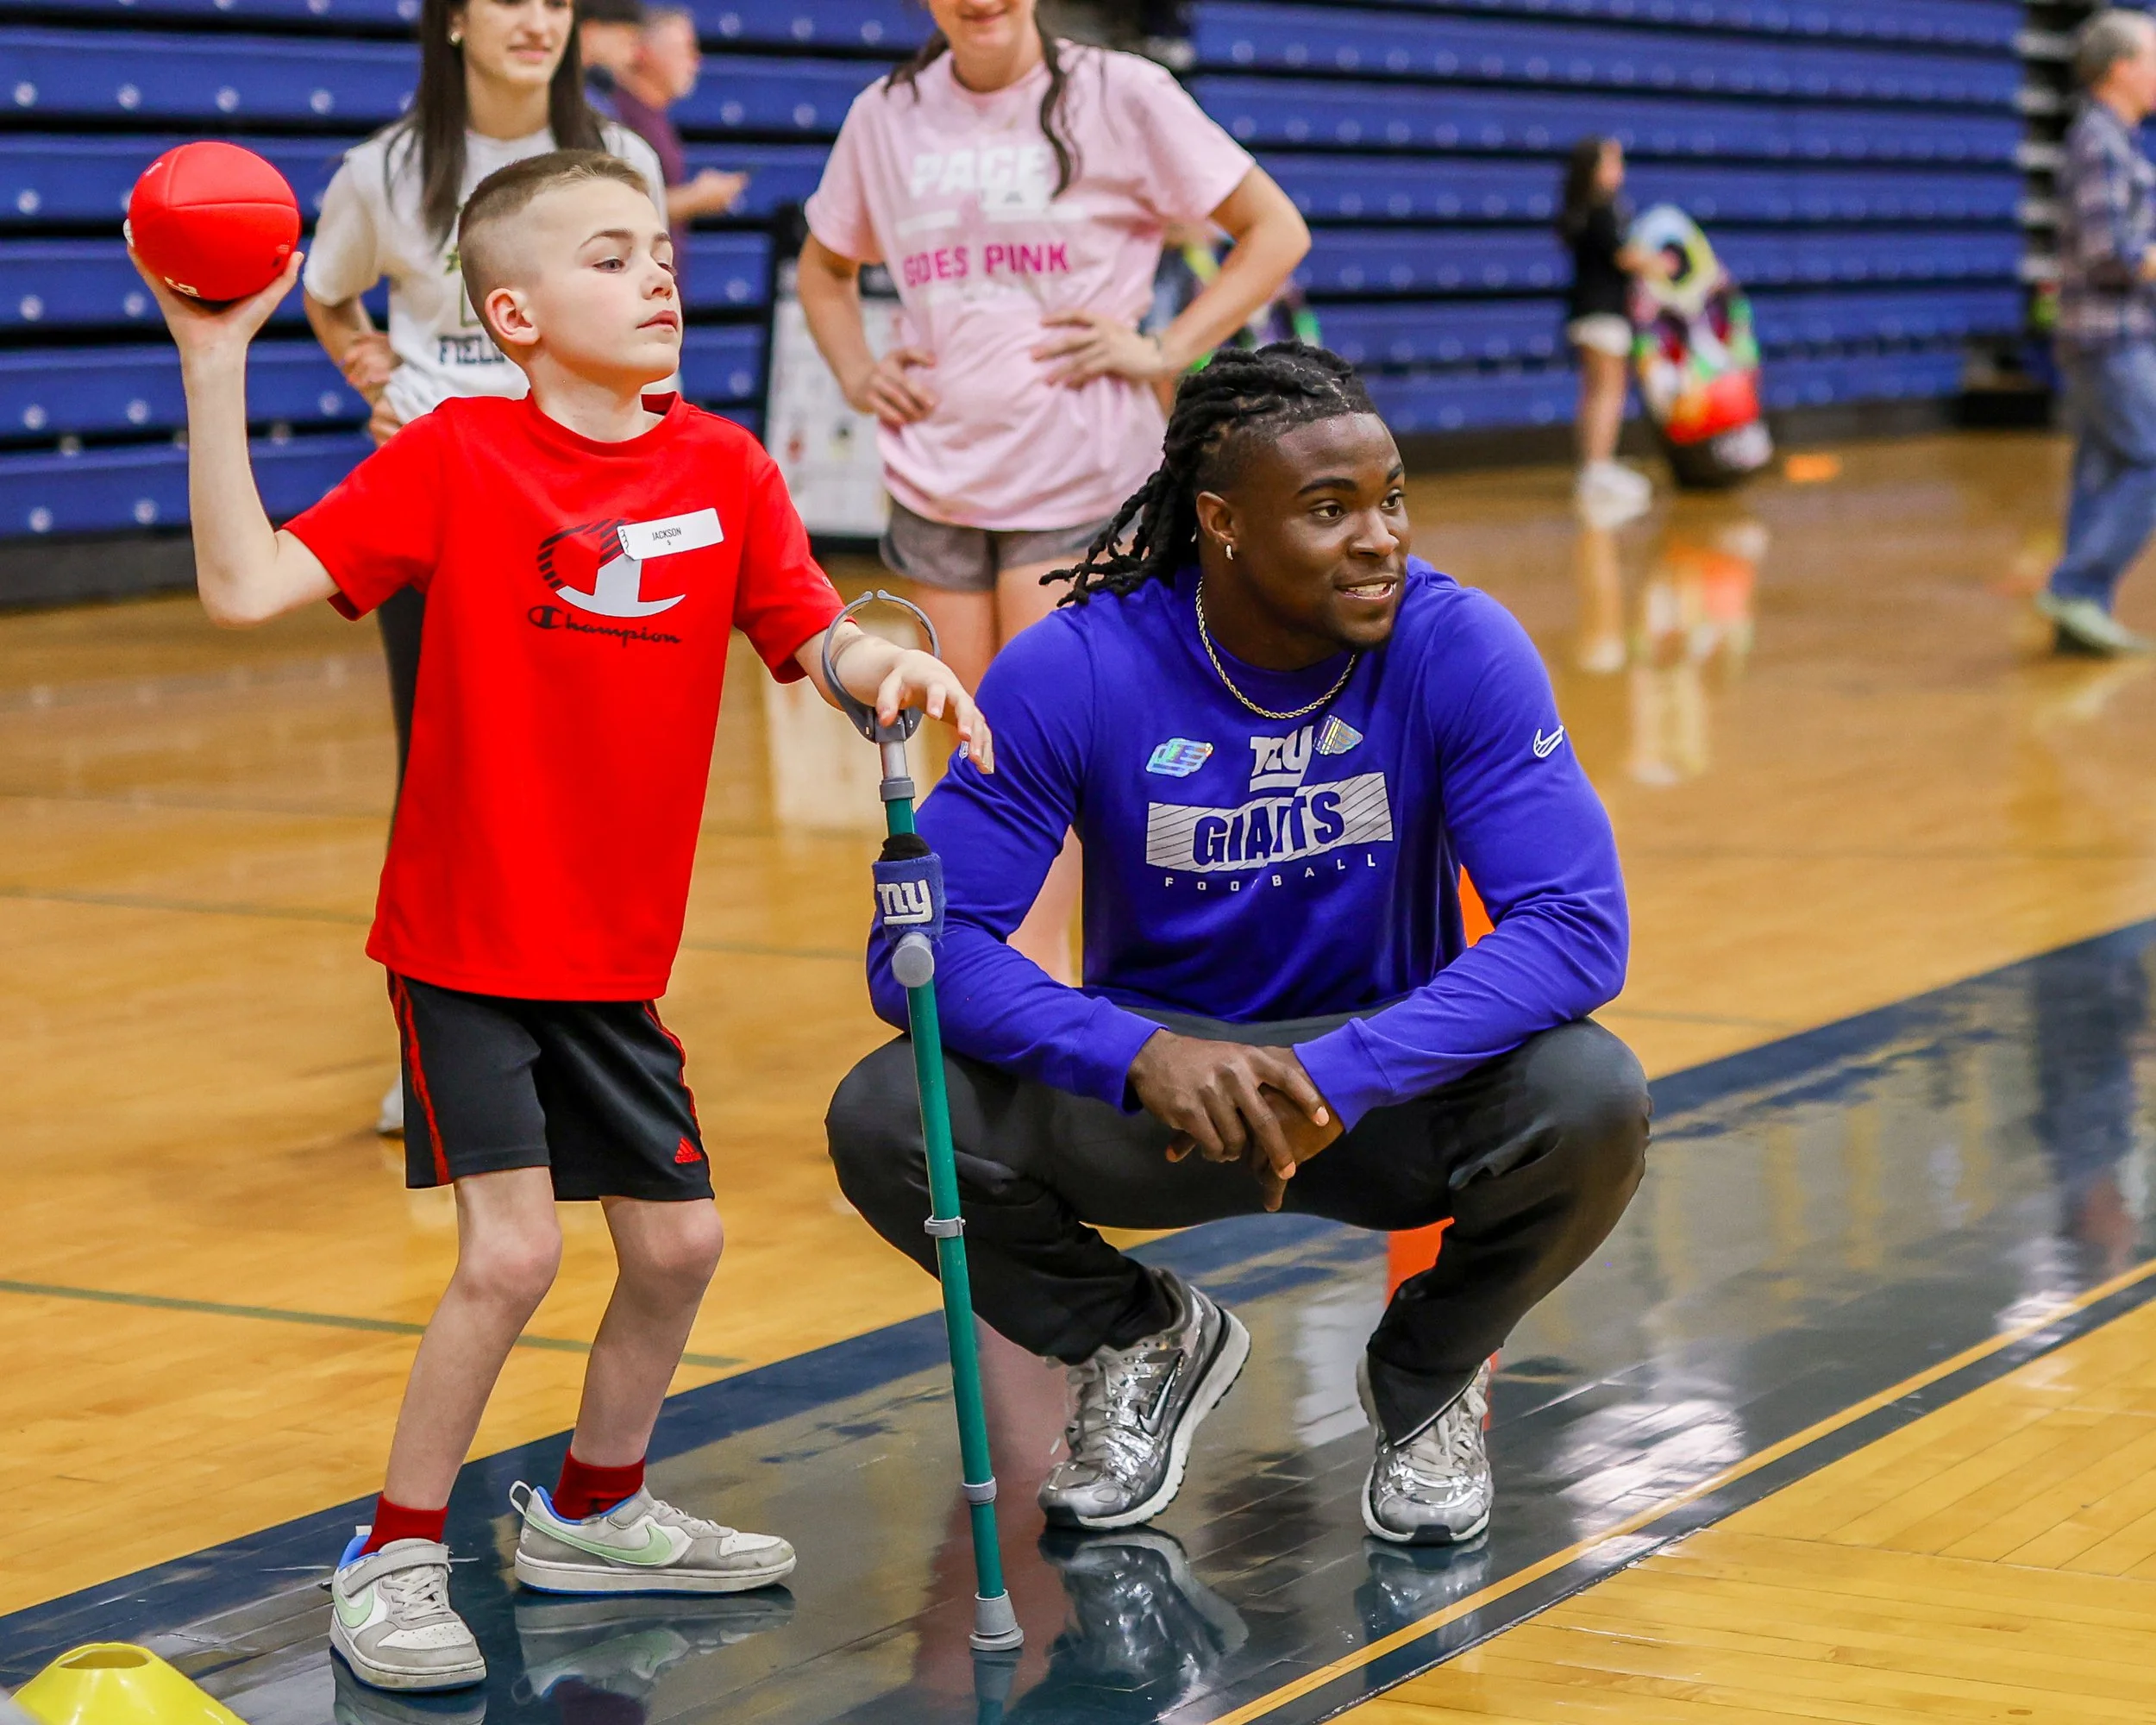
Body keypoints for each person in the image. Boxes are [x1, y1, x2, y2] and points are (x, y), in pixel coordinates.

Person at [136, 150, 991, 1691]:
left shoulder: (726, 469)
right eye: (612, 256)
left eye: (660, 247)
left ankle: (591, 1512)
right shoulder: (458, 455)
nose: (658, 273)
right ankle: (394, 1549)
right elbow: (245, 585)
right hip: (466, 943)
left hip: (613, 960)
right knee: (512, 1257)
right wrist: (216, 363)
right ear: (518, 314)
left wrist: (896, 673)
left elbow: (808, 631)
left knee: (679, 1247)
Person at [827, 345, 1648, 1546]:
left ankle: (1429, 1375)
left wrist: (1347, 1070)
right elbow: (921, 948)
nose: (1381, 538)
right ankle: (1138, 1336)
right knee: (891, 1116)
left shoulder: (1457, 644)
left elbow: (1579, 930)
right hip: (1164, 1101)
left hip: (1381, 1094)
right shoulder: (1080, 662)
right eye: (1330, 510)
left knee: (1592, 1096)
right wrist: (1133, 1053)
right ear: (1219, 522)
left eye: (1392, 499)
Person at [795, 0, 1309, 979]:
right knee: (968, 757)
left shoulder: (1123, 93)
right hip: (934, 482)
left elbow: (1272, 228)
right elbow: (825, 270)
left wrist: (1163, 345)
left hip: (1078, 480)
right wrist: (859, 372)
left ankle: (1040, 991)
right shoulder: (885, 113)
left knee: (1049, 758)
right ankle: (999, 987)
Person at [302, 0, 669, 1136]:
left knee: (586, 785)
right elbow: (327, 291)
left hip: (582, 517)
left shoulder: (619, 159)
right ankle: (440, 1064)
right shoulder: (388, 170)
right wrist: (368, 366)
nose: (538, 20)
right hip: (443, 509)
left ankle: (587, 1044)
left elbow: (650, 327)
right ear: (454, 18)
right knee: (448, 787)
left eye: (558, 0)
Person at [2041, 9, 2156, 656]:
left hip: (2108, 337)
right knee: (2151, 461)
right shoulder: (2101, 142)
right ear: (2122, 69)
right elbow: (2109, 252)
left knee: (2102, 473)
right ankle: (2074, 585)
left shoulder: (2117, 140)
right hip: (2110, 339)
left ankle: (2080, 618)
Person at [1558, 136, 1660, 521]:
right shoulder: (1602, 210)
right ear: (1595, 169)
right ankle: (1598, 469)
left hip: (1585, 315)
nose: (1620, 172)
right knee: (1608, 391)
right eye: (1613, 163)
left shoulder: (1582, 210)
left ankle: (1594, 466)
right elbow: (1625, 257)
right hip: (1603, 317)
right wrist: (1659, 263)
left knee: (1594, 392)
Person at [611, 3, 751, 269]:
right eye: (685, 48)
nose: (696, 60)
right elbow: (616, 208)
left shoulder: (655, 114)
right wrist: (696, 197)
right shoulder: (620, 114)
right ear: (644, 52)